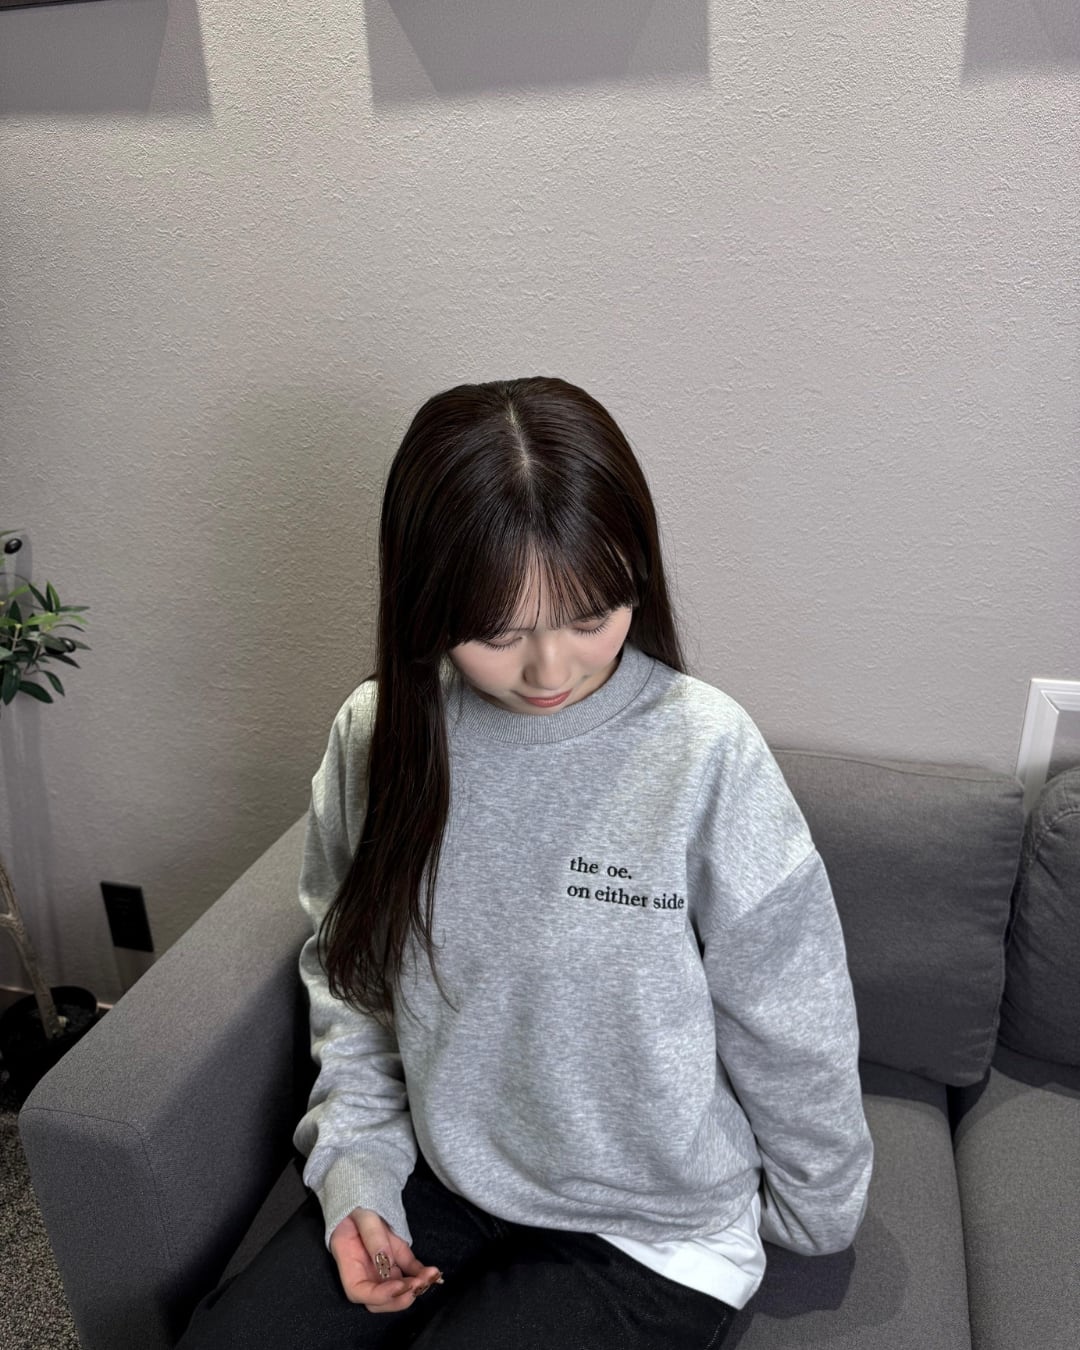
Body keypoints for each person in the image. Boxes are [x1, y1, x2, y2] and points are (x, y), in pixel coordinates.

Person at [178, 376, 873, 1350]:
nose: (552, 670)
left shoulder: (705, 752)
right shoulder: (380, 736)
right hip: (446, 1173)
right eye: (500, 633)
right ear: (426, 602)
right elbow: (353, 980)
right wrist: (357, 1171)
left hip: (649, 1228)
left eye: (591, 616)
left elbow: (791, 1015)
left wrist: (818, 1210)